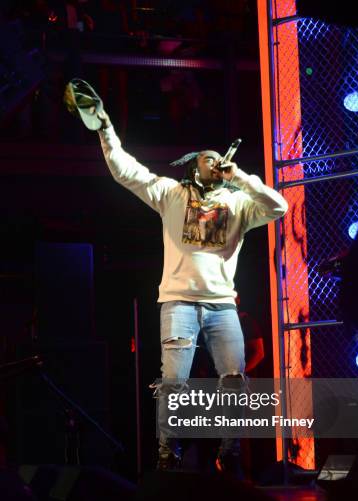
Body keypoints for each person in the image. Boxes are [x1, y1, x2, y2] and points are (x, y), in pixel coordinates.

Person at [96, 108, 288, 474]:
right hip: (179, 302)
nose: (215, 162)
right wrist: (106, 130)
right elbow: (126, 171)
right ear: (191, 166)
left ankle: (229, 452)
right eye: (207, 158)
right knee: (173, 384)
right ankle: (168, 452)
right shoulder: (172, 194)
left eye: (220, 159)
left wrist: (242, 179)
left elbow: (279, 206)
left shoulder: (238, 204)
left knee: (234, 379)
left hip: (221, 306)